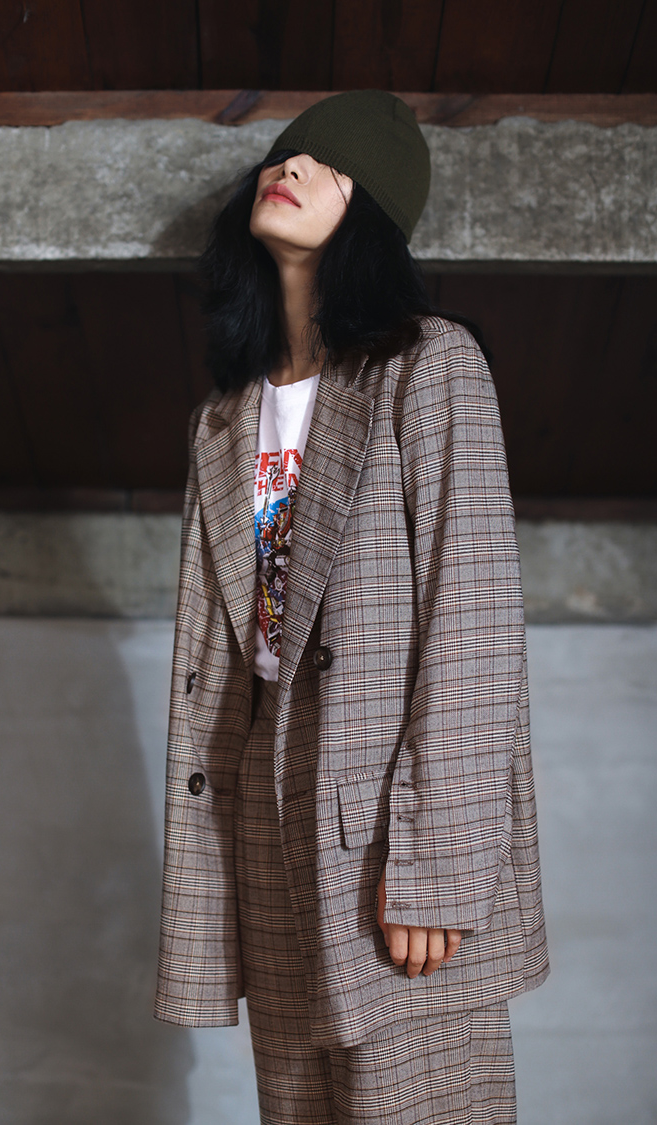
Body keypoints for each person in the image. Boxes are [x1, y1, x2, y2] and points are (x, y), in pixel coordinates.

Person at [155, 90, 549, 1125]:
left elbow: (472, 624)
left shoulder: (430, 366)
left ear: (368, 212)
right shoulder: (222, 421)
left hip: (389, 840)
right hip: (269, 832)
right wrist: (211, 893)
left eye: (328, 164)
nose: (291, 168)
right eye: (284, 155)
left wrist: (440, 872)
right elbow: (219, 667)